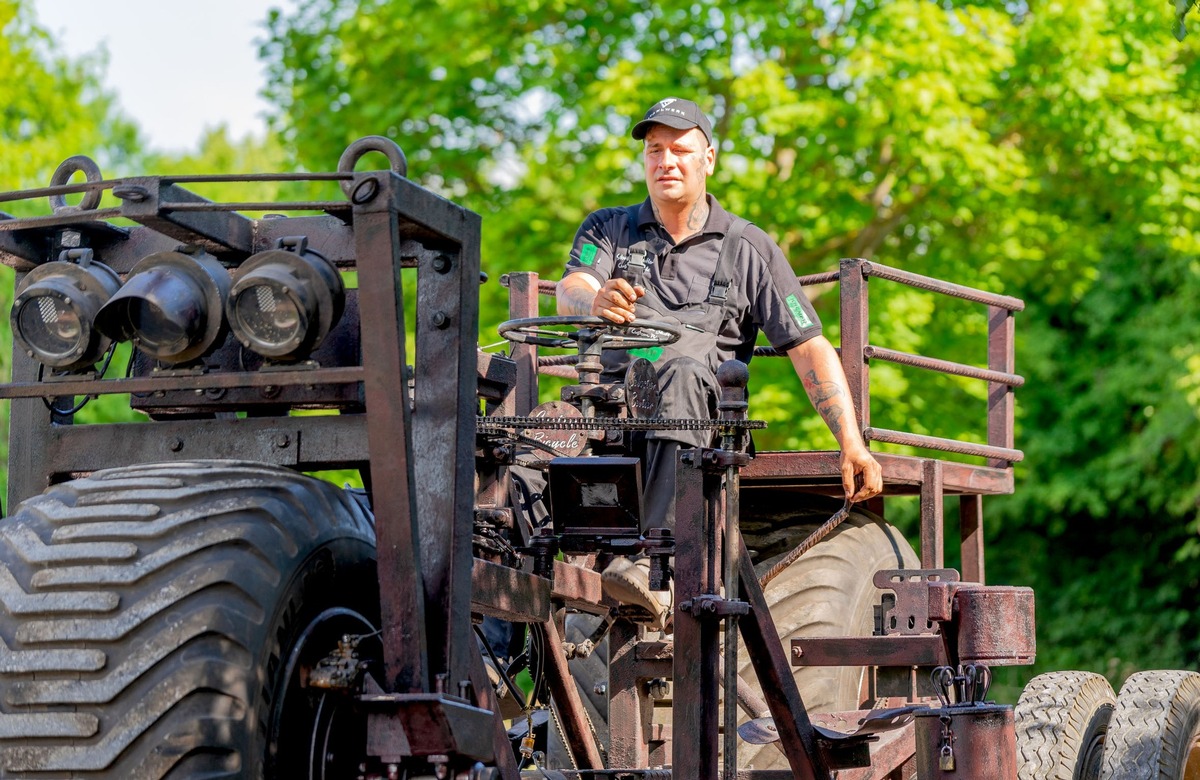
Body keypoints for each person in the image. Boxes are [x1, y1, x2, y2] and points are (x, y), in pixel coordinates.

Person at [556, 97, 881, 626]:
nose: (666, 161)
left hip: (699, 425)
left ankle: (654, 566)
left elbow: (808, 345)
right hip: (610, 417)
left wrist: (851, 442)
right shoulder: (607, 229)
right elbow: (572, 287)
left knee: (682, 374)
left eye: (680, 149)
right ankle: (505, 628)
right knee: (520, 439)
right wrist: (591, 302)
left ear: (708, 158)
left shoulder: (748, 247)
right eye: (654, 150)